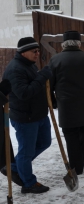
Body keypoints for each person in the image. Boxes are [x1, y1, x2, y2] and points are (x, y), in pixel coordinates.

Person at [49, 31, 84, 175]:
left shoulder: (55, 60)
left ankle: (76, 165)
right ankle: (80, 156)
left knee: (71, 135)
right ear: (79, 44)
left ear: (63, 44)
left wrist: (54, 101)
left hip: (66, 106)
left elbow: (48, 84)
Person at [2, 37, 52, 193]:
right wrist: (42, 76)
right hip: (25, 118)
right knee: (27, 151)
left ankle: (14, 167)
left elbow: (35, 86)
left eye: (38, 51)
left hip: (39, 115)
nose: (37, 54)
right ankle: (29, 183)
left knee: (44, 142)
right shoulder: (15, 69)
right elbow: (24, 93)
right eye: (34, 51)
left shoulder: (28, 65)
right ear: (23, 53)